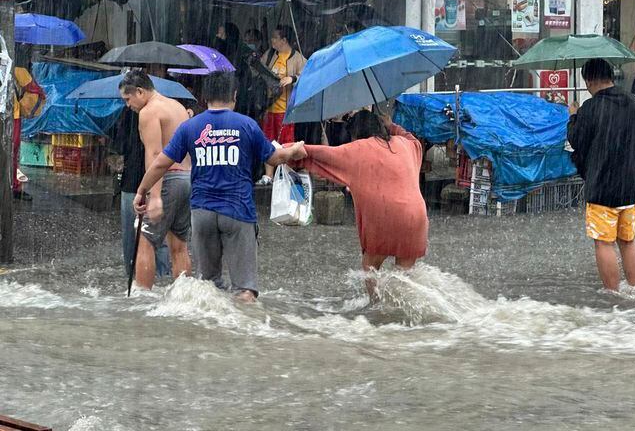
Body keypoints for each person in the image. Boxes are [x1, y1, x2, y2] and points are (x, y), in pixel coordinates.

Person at [134, 72, 307, 302]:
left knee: (208, 287)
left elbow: (160, 164)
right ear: (234, 96)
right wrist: (293, 151)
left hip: (202, 214)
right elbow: (274, 157)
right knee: (244, 290)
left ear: (205, 97)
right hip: (238, 212)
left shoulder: (190, 127)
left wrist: (141, 191)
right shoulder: (246, 125)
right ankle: (240, 334)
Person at [295, 110, 428, 300]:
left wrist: (287, 150)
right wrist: (392, 126)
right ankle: (401, 313)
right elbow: (412, 139)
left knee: (370, 267)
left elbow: (321, 154)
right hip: (416, 218)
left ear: (356, 134)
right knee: (404, 279)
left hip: (384, 218)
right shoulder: (406, 145)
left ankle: (377, 305)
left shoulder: (358, 149)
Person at [567, 58, 635, 291]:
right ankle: (634, 289)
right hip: (631, 185)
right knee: (628, 240)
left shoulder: (590, 108)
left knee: (604, 242)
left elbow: (576, 141)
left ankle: (613, 295)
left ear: (589, 80)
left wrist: (573, 116)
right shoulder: (634, 102)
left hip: (603, 186)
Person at [119, 70, 192, 290]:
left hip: (168, 180)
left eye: (128, 98)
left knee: (146, 241)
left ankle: (142, 299)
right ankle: (184, 297)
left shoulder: (149, 112)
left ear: (140, 91)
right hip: (187, 179)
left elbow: (154, 154)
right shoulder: (177, 106)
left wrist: (154, 195)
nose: (128, 105)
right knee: (179, 244)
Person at [111, 106, 171, 279]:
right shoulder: (164, 111)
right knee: (157, 234)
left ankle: (134, 275)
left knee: (131, 235)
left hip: (133, 182)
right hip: (158, 182)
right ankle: (161, 276)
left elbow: (120, 146)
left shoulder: (129, 113)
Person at [260, 25, 307, 145]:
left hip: (285, 112)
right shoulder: (270, 54)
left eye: (275, 37)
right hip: (268, 109)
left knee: (285, 146)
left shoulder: (297, 58)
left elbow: (308, 76)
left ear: (284, 40)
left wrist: (293, 78)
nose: (272, 40)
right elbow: (258, 70)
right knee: (268, 146)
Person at [12, 45, 46, 201]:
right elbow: (36, 91)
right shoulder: (19, 70)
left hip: (10, 114)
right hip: (12, 115)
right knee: (12, 151)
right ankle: (14, 185)